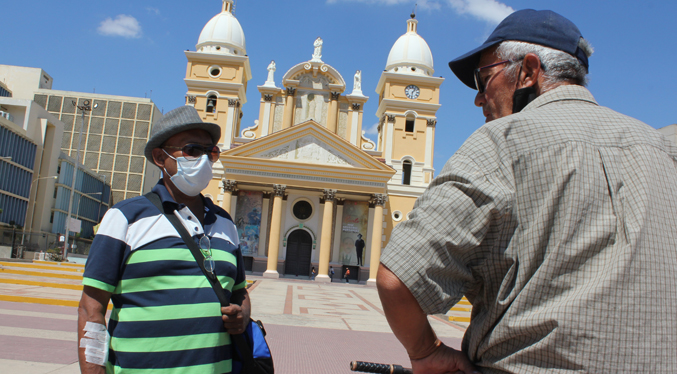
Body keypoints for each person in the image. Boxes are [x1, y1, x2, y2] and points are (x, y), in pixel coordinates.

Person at [377, 9, 677, 374]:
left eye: (483, 79)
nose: (478, 98)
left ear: (529, 72)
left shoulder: (501, 142)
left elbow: (397, 281)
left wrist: (424, 352)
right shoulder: (659, 148)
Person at [77, 106, 250, 374]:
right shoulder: (124, 218)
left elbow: (239, 291)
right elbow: (91, 308)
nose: (204, 160)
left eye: (211, 152)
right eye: (193, 150)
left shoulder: (226, 224)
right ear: (160, 157)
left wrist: (242, 315)